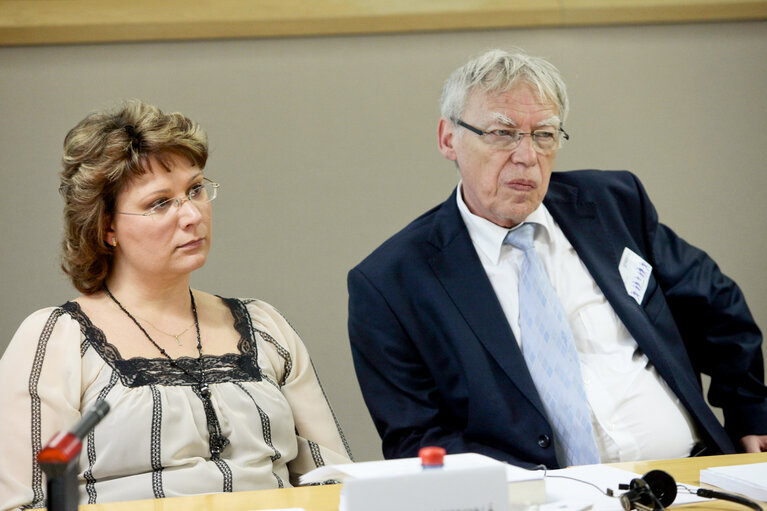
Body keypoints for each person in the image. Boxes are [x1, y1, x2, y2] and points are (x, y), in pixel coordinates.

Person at [347, 49, 767, 469]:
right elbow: (416, 438)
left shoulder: (612, 205)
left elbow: (716, 303)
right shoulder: (391, 283)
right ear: (448, 138)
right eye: (501, 133)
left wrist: (751, 410)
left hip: (690, 476)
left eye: (544, 134)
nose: (527, 156)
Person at [0, 99, 353, 510]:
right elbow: (22, 503)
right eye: (160, 202)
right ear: (107, 227)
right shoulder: (56, 338)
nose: (191, 215)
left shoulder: (264, 326)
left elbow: (333, 482)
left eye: (195, 190)